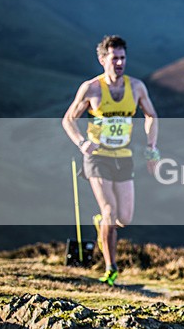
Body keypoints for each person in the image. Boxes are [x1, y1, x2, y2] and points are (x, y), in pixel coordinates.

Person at [62, 35, 160, 286]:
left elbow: (151, 115)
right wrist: (82, 143)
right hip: (97, 158)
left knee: (123, 218)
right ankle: (110, 268)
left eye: (123, 58)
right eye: (114, 58)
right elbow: (69, 119)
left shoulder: (136, 87)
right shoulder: (91, 88)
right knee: (109, 210)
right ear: (102, 59)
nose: (119, 63)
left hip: (124, 157)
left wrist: (151, 149)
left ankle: (102, 225)